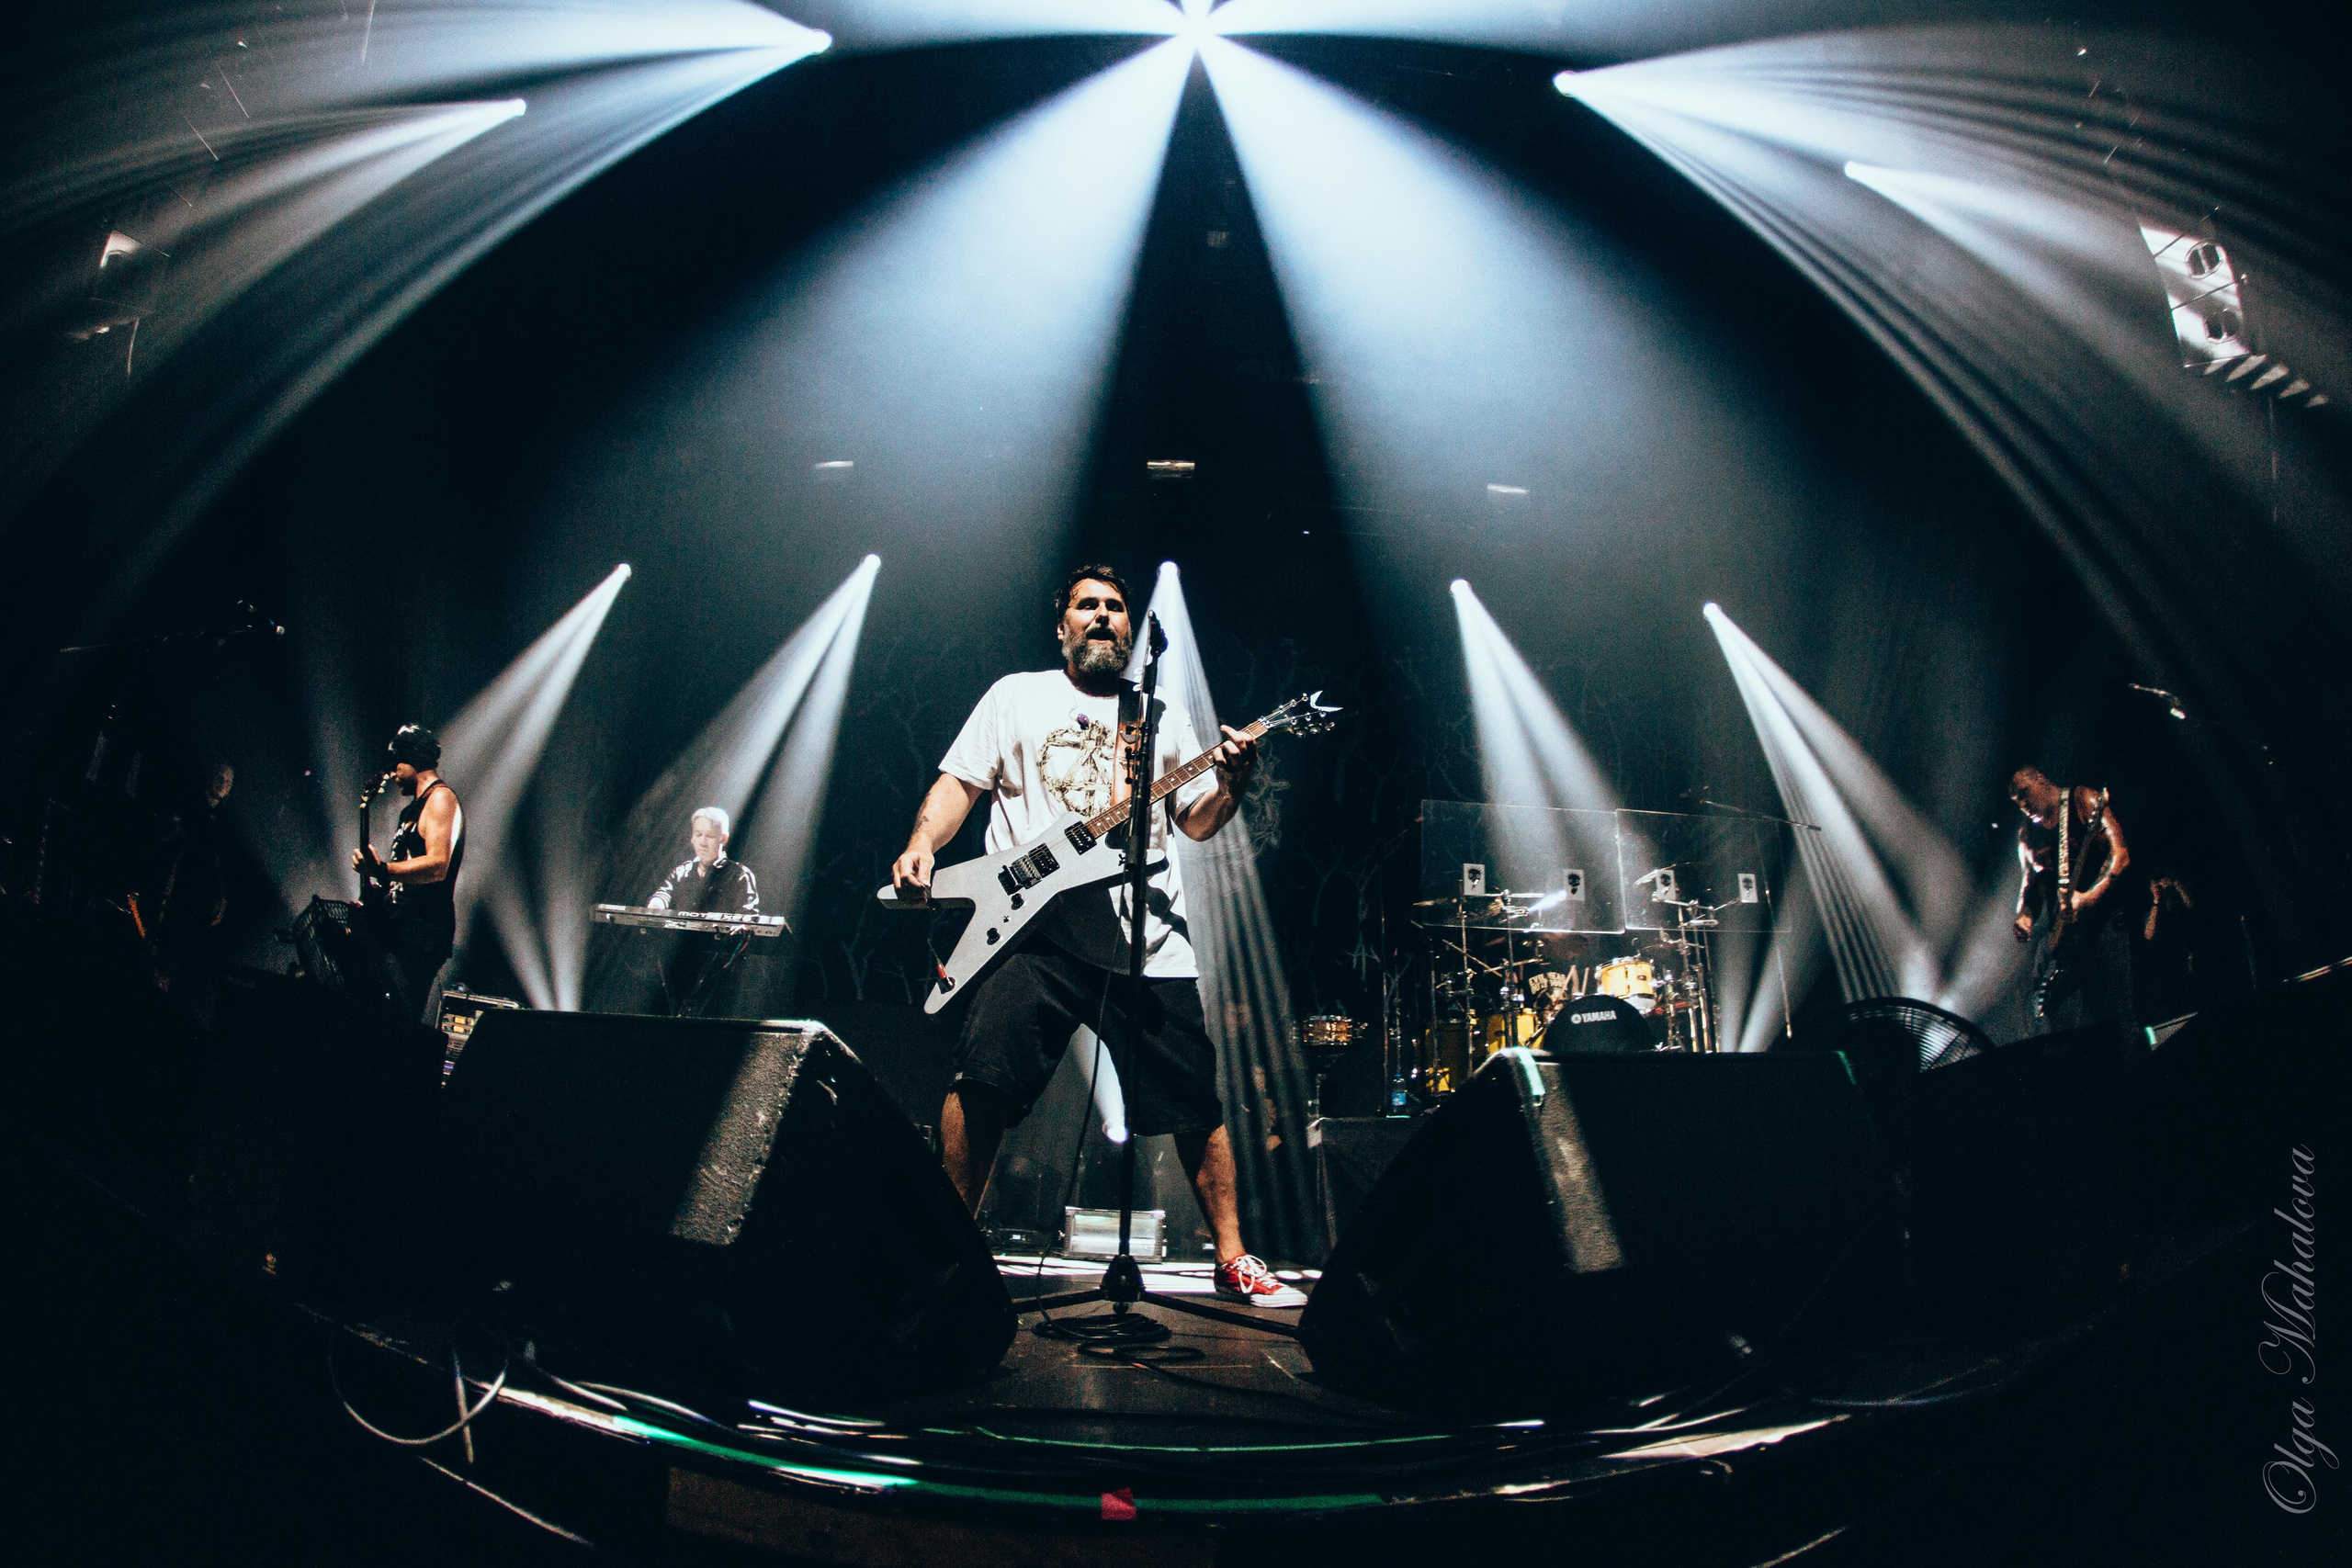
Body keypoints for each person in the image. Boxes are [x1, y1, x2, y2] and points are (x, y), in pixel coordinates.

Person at [889, 564, 1304, 1308]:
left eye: (1116, 607)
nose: (1105, 617)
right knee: (983, 1075)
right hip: (1038, 933)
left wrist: (1236, 782)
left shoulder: (1160, 714)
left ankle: (1233, 1256)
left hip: (1148, 941)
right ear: (1063, 626)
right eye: (1088, 606)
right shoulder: (1016, 695)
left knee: (1194, 1100)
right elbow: (959, 784)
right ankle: (947, 1248)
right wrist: (925, 841)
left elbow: (1196, 822)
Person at [2008, 765, 2134, 1033]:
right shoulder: (2028, 835)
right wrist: (2026, 917)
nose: (2024, 804)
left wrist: (2089, 898)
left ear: (2040, 779)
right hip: (2064, 938)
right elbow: (2031, 884)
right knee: (2067, 1023)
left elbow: (2120, 856)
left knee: (2117, 1015)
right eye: (2017, 802)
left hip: (2104, 925)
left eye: (2025, 793)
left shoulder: (2082, 800)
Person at [355, 725, 464, 1020]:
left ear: (412, 759)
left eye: (395, 765)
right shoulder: (410, 812)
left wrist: (382, 868)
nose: (391, 774)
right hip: (398, 928)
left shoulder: (440, 799)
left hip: (421, 934)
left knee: (397, 1024)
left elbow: (438, 865)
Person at [647, 806, 759, 1015]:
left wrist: (740, 925)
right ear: (691, 837)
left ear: (723, 839)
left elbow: (748, 915)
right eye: (698, 835)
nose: (702, 842)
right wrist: (657, 903)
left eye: (710, 836)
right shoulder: (682, 872)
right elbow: (664, 892)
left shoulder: (739, 875)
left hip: (719, 964)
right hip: (682, 958)